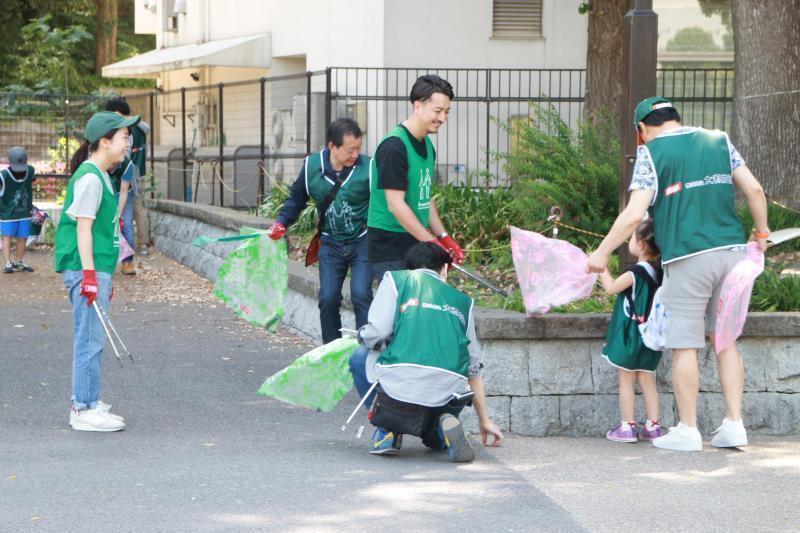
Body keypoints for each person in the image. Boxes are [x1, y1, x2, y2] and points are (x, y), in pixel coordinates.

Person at [586, 97, 769, 452]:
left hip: (688, 255)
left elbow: (633, 215)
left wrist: (602, 252)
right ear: (677, 119)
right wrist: (761, 234)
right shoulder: (719, 139)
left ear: (641, 130)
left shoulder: (651, 153)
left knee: (685, 342)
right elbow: (755, 190)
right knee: (725, 340)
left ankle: (687, 429)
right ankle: (735, 424)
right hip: (733, 252)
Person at [349, 241, 503, 462]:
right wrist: (485, 420)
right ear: (445, 269)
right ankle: (440, 430)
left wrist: (362, 336)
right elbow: (473, 366)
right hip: (447, 389)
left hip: (399, 381)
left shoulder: (397, 280)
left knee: (359, 357)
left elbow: (379, 331)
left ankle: (388, 430)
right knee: (435, 435)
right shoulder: (463, 302)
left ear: (409, 268)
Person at [55, 111, 140, 432]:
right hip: (84, 268)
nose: (128, 145)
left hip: (94, 268)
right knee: (89, 338)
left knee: (92, 336)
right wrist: (90, 276)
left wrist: (103, 275)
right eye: (124, 138)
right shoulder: (91, 177)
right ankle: (83, 407)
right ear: (105, 142)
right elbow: (83, 230)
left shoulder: (102, 175)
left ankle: (88, 400)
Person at [268, 118, 373, 343]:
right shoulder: (311, 167)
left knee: (362, 295)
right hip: (330, 243)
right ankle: (330, 350)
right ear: (332, 146)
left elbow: (386, 204)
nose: (355, 154)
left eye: (358, 148)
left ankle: (367, 352)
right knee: (327, 299)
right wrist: (282, 222)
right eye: (350, 150)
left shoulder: (369, 168)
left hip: (361, 242)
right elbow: (296, 199)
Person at [367, 74, 464, 282]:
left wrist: (443, 237)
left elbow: (424, 197)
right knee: (402, 310)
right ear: (417, 106)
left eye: (447, 112)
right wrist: (432, 243)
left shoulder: (427, 145)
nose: (442, 118)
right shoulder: (394, 147)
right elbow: (396, 205)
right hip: (389, 246)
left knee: (418, 309)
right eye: (437, 111)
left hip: (414, 243)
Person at [598, 218, 663, 443]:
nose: (630, 240)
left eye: (632, 237)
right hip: (652, 336)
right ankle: (653, 426)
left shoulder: (635, 272)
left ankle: (628, 426)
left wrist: (602, 268)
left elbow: (610, 288)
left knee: (626, 379)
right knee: (647, 379)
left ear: (641, 244)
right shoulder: (660, 272)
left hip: (631, 335)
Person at [105, 97, 141, 275]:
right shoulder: (102, 134)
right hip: (107, 185)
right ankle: (103, 260)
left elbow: (125, 191)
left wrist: (117, 214)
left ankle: (128, 261)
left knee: (125, 223)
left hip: (124, 186)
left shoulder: (128, 135)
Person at [1, 147, 36, 273]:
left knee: (23, 237)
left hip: (24, 213)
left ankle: (18, 262)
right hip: (7, 214)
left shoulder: (30, 171)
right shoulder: (3, 176)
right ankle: (8, 263)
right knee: (7, 237)